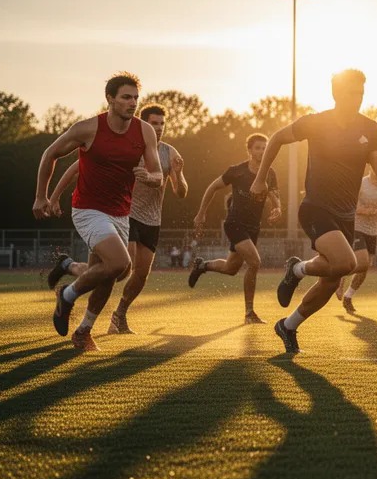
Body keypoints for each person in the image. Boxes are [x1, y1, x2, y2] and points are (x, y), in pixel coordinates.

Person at [259, 69, 377, 354]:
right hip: (315, 208)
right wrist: (260, 178)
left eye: (361, 93)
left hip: (346, 217)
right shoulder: (316, 122)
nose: (357, 98)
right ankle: (297, 269)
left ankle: (288, 325)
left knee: (331, 279)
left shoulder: (370, 128)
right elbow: (276, 138)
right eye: (352, 93)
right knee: (347, 263)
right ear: (336, 93)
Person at [32, 72, 163, 351]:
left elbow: (157, 174)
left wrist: (151, 178)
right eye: (126, 97)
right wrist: (42, 196)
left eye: (136, 98)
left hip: (120, 212)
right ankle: (67, 296)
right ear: (110, 99)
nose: (133, 103)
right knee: (120, 263)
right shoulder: (88, 129)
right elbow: (50, 154)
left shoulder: (144, 131)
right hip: (88, 209)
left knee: (111, 273)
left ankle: (83, 331)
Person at [45, 103, 188, 334]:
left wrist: (178, 174)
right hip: (123, 214)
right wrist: (54, 197)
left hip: (152, 219)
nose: (159, 128)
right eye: (154, 123)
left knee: (139, 274)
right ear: (143, 124)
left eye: (162, 124)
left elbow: (181, 193)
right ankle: (79, 311)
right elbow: (76, 168)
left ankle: (114, 310)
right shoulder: (130, 145)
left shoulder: (170, 153)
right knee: (121, 270)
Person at [188, 133, 281, 324]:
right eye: (258, 148)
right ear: (250, 150)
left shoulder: (270, 173)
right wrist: (201, 213)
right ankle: (249, 313)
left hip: (253, 227)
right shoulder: (237, 171)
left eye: (265, 148)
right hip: (235, 223)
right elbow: (212, 187)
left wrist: (277, 207)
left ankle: (202, 265)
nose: (262, 151)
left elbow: (274, 195)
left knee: (231, 268)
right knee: (254, 262)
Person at [334, 167, 377, 313]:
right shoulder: (361, 183)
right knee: (362, 261)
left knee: (365, 267)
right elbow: (354, 208)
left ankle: (348, 296)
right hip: (356, 227)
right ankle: (340, 276)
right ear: (371, 168)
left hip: (372, 230)